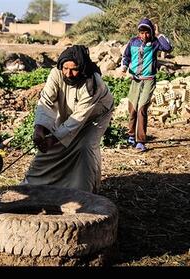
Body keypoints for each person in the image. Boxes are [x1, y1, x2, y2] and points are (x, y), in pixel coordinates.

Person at [21, 45, 114, 193]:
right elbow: (46, 101)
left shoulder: (93, 84)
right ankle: (31, 185)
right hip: (70, 111)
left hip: (95, 116)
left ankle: (84, 192)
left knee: (84, 147)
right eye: (65, 68)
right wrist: (39, 128)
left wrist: (53, 138)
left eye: (74, 69)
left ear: (82, 68)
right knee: (53, 147)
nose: (68, 74)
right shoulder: (56, 74)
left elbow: (79, 117)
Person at [121, 18, 173, 152]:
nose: (144, 35)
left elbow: (168, 48)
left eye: (147, 32)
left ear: (151, 32)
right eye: (142, 32)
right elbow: (126, 56)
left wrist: (159, 34)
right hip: (135, 80)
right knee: (132, 109)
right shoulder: (133, 42)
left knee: (141, 109)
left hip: (149, 80)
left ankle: (141, 140)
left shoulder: (155, 42)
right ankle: (131, 135)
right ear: (138, 32)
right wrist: (124, 67)